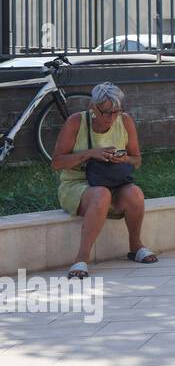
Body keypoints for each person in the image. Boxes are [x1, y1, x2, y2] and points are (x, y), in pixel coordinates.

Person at [49, 82, 155, 279]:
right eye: (107, 112)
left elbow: (137, 160)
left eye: (117, 111)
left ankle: (135, 246)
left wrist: (123, 159)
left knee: (135, 193)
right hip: (77, 184)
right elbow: (56, 163)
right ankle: (81, 258)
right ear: (93, 108)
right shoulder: (76, 122)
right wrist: (90, 154)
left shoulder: (125, 121)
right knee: (101, 194)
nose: (112, 117)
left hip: (114, 181)